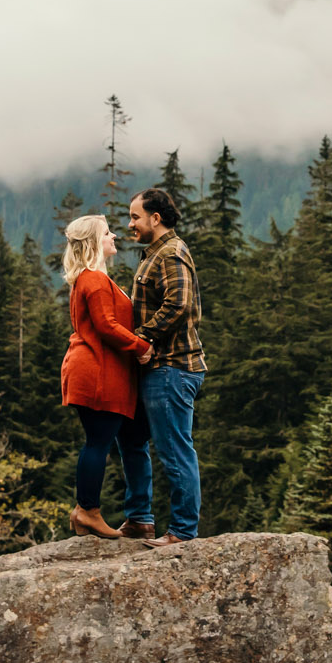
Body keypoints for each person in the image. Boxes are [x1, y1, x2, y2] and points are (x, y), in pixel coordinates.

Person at [58, 213, 154, 539]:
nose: (114, 236)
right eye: (108, 233)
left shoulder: (89, 278)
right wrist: (141, 346)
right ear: (95, 242)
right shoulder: (95, 280)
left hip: (96, 368)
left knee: (103, 441)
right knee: (98, 442)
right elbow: (106, 326)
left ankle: (90, 511)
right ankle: (87, 511)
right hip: (97, 371)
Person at [124, 186, 205, 546]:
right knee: (131, 440)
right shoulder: (152, 254)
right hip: (155, 370)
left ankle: (183, 533)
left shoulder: (171, 253)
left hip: (172, 368)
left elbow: (179, 304)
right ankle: (140, 519)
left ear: (155, 218)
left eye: (135, 217)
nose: (130, 224)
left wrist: (141, 339)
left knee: (174, 450)